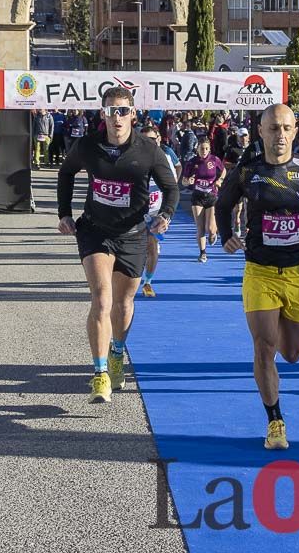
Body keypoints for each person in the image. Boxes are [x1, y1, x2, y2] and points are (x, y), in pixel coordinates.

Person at [216, 104, 299, 449]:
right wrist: (226, 232)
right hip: (259, 271)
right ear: (261, 131)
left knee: (292, 353)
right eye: (273, 129)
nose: (280, 136)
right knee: (264, 347)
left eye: (287, 129)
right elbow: (222, 203)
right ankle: (275, 421)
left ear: (295, 131)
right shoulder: (247, 171)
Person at [57, 86, 179, 404]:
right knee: (101, 299)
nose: (117, 118)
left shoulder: (148, 149)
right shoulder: (88, 145)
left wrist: (165, 214)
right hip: (95, 231)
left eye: (122, 111)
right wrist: (64, 214)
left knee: (123, 306)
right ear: (103, 115)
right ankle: (99, 375)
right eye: (111, 111)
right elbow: (66, 172)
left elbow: (171, 188)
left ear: (132, 114)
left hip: (134, 234)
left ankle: (116, 352)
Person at [138, 124, 181, 298]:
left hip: (156, 211)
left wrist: (173, 184)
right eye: (145, 140)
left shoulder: (166, 155)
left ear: (158, 139)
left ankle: (147, 281)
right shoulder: (133, 155)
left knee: (151, 246)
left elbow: (177, 168)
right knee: (135, 248)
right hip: (136, 211)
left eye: (152, 139)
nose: (149, 143)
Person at [181, 137, 226, 263]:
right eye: (201, 149)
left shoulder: (214, 160)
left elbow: (223, 171)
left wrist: (219, 180)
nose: (204, 151)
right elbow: (184, 181)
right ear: (197, 149)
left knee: (210, 229)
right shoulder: (191, 162)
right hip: (197, 196)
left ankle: (213, 234)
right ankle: (202, 253)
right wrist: (187, 181)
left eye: (206, 148)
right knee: (200, 227)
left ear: (209, 149)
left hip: (211, 195)